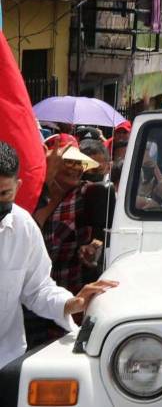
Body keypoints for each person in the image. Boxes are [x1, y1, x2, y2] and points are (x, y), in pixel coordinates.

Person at [0, 141, 117, 370]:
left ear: (18, 186)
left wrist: (71, 303)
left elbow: (37, 289)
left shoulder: (23, 226)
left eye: (4, 193)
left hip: (6, 359)